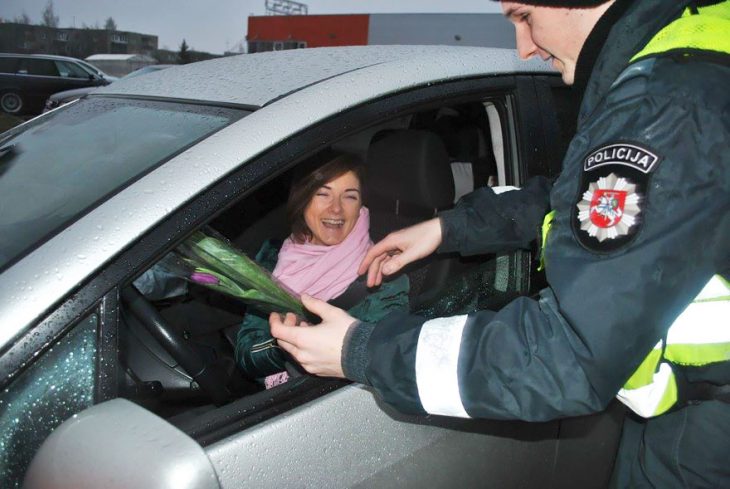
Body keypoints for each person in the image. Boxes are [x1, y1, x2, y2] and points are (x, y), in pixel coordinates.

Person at [270, 0, 730, 487]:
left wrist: (362, 351)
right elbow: (573, 200)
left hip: (705, 437)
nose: (524, 47)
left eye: (525, 16)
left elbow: (566, 354)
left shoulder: (668, 104)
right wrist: (448, 228)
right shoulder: (687, 67)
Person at [235, 153, 409, 388]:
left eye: (350, 197)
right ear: (302, 199)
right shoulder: (272, 256)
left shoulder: (384, 273)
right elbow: (246, 354)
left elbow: (383, 359)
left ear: (361, 207)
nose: (336, 209)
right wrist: (284, 343)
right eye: (323, 194)